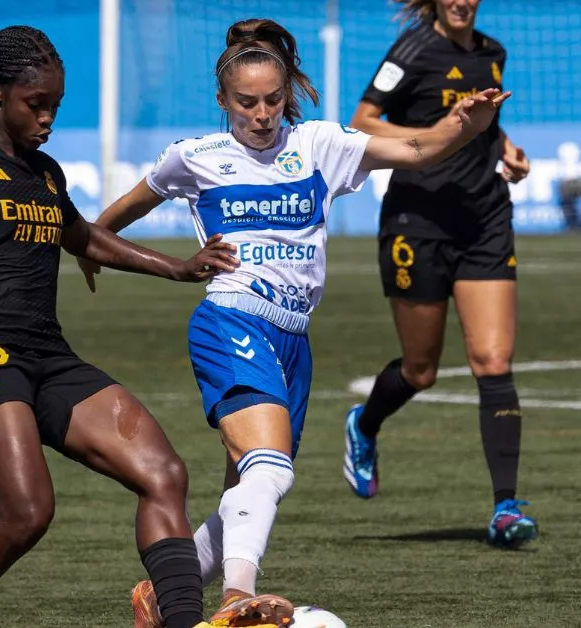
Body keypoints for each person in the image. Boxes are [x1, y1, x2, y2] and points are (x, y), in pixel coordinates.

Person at [77, 17, 511, 625]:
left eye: (273, 100)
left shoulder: (319, 145)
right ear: (222, 100)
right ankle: (236, 601)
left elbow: (418, 148)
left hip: (293, 338)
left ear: (288, 95)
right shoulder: (195, 157)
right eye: (247, 102)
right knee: (270, 468)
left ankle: (160, 593)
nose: (261, 114)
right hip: (232, 319)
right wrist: (92, 248)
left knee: (249, 490)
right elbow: (123, 209)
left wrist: (467, 122)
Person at [0, 26, 254, 628]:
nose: (47, 119)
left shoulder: (45, 172)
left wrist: (179, 268)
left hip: (48, 356)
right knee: (28, 512)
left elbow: (84, 236)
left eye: (55, 107)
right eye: (35, 104)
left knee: (163, 473)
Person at [341, 0, 539, 550]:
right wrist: (440, 129)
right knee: (421, 370)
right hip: (418, 220)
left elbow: (488, 125)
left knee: (493, 362)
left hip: (485, 217)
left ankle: (505, 508)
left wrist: (509, 152)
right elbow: (362, 122)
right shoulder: (411, 50)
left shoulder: (493, 53)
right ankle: (366, 424)